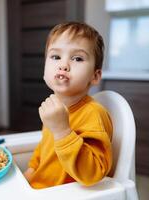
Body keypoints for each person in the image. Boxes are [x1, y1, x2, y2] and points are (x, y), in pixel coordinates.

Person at [23, 22, 113, 189]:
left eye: (77, 58)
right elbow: (44, 148)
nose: (63, 65)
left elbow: (94, 174)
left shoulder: (94, 114)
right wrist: (30, 171)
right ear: (44, 69)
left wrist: (62, 131)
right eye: (56, 57)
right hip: (38, 188)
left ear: (95, 76)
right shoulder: (54, 107)